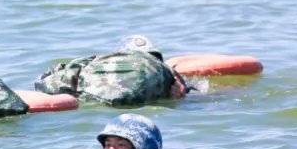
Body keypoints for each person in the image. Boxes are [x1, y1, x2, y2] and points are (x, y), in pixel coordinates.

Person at [35, 35, 187, 106]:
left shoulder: (96, 61)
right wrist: (181, 94)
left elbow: (44, 82)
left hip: (96, 96)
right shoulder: (162, 68)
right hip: (144, 100)